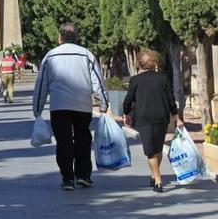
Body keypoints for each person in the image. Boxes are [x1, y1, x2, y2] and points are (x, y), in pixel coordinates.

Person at [33, 22, 108, 191]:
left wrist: (37, 109)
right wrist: (103, 105)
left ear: (60, 37)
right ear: (76, 38)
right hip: (82, 105)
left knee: (63, 142)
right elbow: (97, 82)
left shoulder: (50, 56)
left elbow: (41, 85)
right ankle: (83, 176)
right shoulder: (86, 55)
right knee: (83, 139)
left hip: (59, 106)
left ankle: (67, 178)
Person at [122, 48, 183, 193]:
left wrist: (126, 113)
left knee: (151, 151)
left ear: (139, 64)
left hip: (144, 118)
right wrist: (175, 115)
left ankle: (158, 181)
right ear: (154, 62)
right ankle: (154, 175)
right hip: (162, 117)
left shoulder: (135, 80)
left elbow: (128, 100)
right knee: (158, 148)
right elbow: (170, 99)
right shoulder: (163, 78)